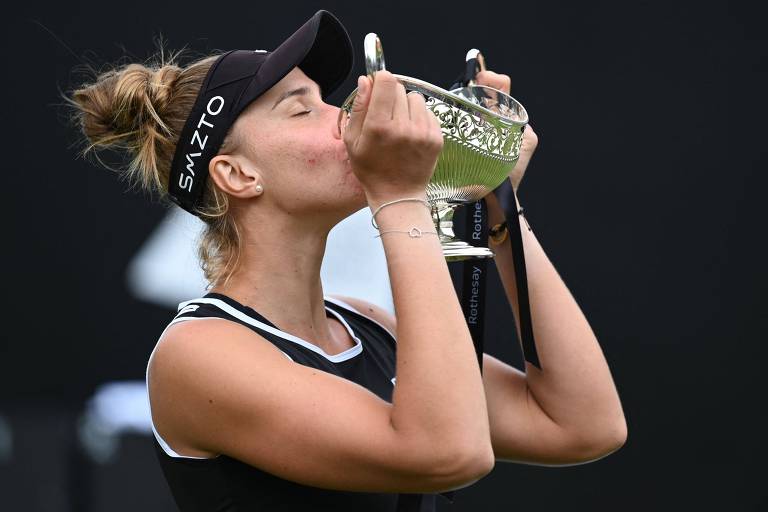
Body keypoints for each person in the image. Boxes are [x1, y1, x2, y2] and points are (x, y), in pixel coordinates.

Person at [68, 9, 627, 512]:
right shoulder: (197, 354)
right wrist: (400, 196)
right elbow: (449, 451)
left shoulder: (365, 324)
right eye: (302, 109)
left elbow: (581, 425)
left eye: (326, 99)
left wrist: (495, 200)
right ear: (238, 176)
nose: (344, 115)